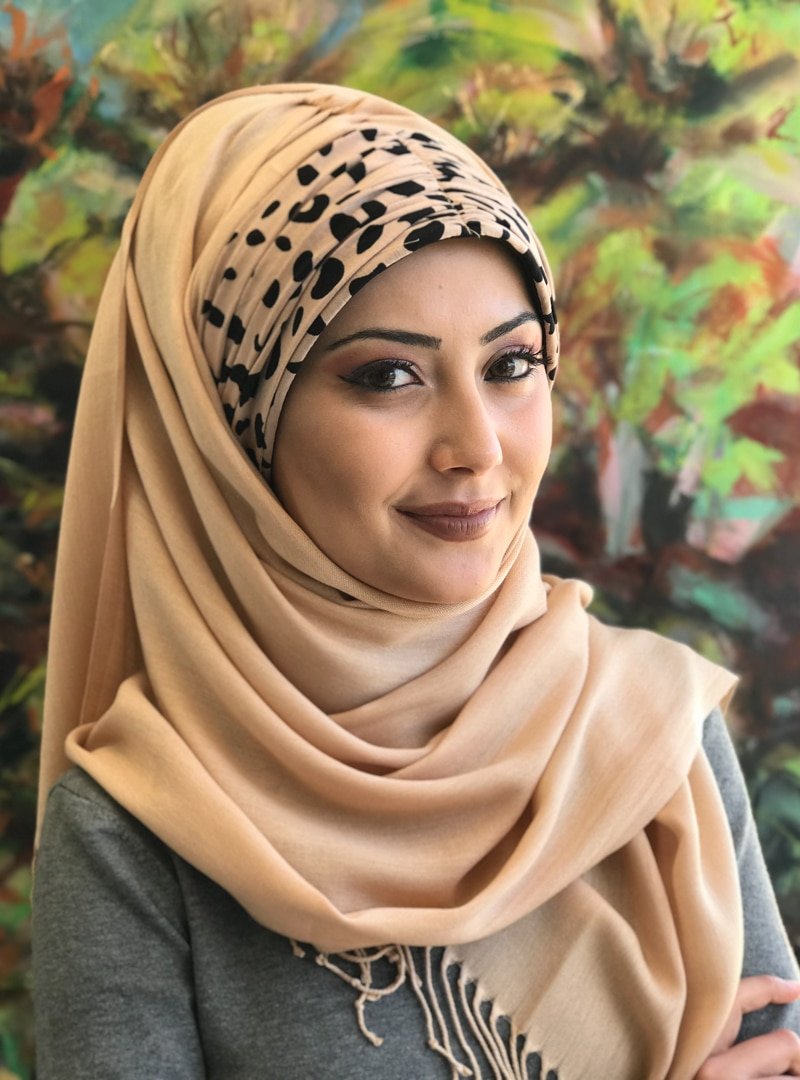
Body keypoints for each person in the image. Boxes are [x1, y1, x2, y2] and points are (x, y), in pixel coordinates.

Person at [32, 83, 800, 1080]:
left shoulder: (650, 730)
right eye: (387, 375)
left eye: (511, 363)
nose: (476, 448)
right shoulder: (135, 829)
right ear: (235, 428)